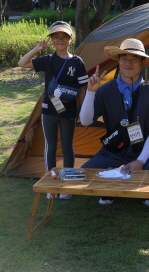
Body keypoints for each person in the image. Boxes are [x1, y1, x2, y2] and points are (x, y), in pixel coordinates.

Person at [80, 38, 149, 206]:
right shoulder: (105, 89)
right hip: (112, 151)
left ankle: (145, 192)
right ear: (118, 61)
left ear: (142, 62)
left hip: (143, 152)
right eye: (124, 58)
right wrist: (91, 92)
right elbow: (85, 121)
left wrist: (140, 161)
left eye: (134, 58)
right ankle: (109, 189)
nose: (128, 63)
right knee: (86, 173)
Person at [18, 21, 88, 199]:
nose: (60, 40)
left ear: (70, 39)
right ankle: (51, 185)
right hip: (49, 111)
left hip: (69, 111)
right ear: (51, 40)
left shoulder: (77, 62)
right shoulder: (48, 60)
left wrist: (83, 110)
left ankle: (67, 186)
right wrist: (37, 49)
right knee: (50, 147)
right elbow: (22, 63)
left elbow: (82, 89)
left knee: (67, 147)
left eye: (64, 37)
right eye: (56, 37)